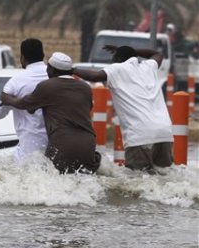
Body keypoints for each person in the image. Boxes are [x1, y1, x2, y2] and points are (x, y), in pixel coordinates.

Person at [73, 45, 173, 173]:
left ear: (118, 58)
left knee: (136, 180)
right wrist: (132, 51)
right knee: (164, 176)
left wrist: (71, 70)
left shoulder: (117, 69)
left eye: (114, 58)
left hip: (140, 134)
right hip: (164, 132)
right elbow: (157, 53)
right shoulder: (148, 67)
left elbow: (93, 76)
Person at [1, 52, 100, 174]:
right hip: (88, 145)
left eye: (48, 67)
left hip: (63, 145)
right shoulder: (85, 87)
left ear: (52, 69)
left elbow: (25, 105)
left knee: (56, 183)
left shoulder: (47, 86)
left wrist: (7, 99)